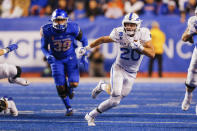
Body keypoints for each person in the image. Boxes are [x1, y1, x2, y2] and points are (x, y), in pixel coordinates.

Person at [77, 12, 155, 126]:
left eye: (132, 24)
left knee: (115, 101)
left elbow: (152, 53)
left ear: (138, 25)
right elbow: (103, 39)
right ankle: (91, 115)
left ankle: (100, 91)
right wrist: (87, 48)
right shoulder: (119, 33)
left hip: (132, 72)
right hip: (119, 67)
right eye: (127, 24)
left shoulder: (144, 33)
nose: (129, 27)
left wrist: (140, 47)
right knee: (115, 94)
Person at [40, 9, 88, 116]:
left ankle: (70, 89)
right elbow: (43, 47)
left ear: (66, 20)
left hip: (70, 57)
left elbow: (84, 40)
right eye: (57, 20)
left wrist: (85, 54)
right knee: (60, 86)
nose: (59, 23)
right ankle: (68, 107)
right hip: (56, 59)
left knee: (74, 84)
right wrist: (48, 55)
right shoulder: (47, 30)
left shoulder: (73, 28)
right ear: (52, 20)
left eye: (61, 20)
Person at [0, 43, 30, 116]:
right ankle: (7, 103)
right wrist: (9, 48)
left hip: (6, 70)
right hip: (7, 71)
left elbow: (2, 52)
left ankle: (9, 104)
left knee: (14, 74)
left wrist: (9, 48)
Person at [181, 7, 197, 114]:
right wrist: (191, 33)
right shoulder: (193, 21)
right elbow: (184, 38)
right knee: (191, 75)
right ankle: (188, 96)